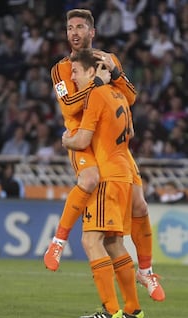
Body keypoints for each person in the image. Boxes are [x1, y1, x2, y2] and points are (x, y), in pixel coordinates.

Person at [43, 9, 165, 302]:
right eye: (69, 27)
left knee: (140, 205)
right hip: (82, 140)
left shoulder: (108, 59)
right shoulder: (61, 69)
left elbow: (130, 97)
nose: (74, 32)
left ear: (92, 32)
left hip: (112, 142)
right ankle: (58, 241)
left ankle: (146, 271)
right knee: (89, 178)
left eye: (80, 27)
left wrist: (116, 72)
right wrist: (98, 85)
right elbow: (70, 105)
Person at [62, 48, 143, 318]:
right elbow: (130, 132)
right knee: (113, 242)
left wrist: (66, 141)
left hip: (107, 178)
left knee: (90, 239)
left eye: (75, 71)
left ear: (91, 72)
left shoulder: (95, 95)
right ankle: (133, 309)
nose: (71, 76)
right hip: (125, 176)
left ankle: (111, 311)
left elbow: (82, 140)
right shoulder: (119, 94)